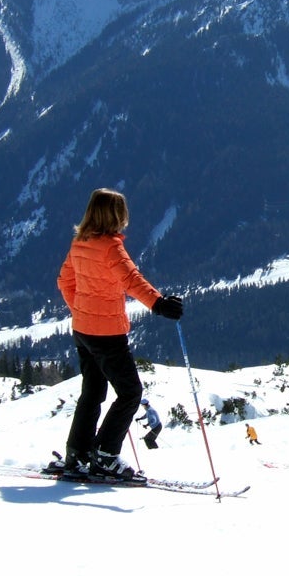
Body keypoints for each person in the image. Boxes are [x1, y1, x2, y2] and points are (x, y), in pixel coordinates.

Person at [56, 188, 183, 478]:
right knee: (130, 392)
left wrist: (80, 310)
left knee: (93, 392)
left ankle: (77, 452)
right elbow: (131, 279)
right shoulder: (111, 247)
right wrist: (158, 303)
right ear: (116, 215)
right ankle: (106, 455)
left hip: (82, 330)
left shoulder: (80, 243)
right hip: (107, 334)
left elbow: (64, 281)